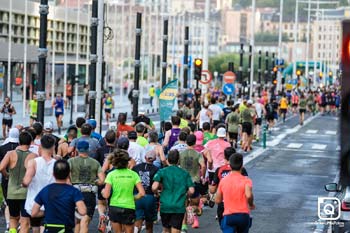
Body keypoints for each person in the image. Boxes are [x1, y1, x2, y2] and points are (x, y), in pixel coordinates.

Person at [31, 160, 87, 233]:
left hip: (49, 229)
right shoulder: (74, 191)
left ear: (53, 174)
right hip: (66, 229)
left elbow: (34, 213)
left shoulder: (45, 190)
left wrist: (47, 212)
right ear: (68, 175)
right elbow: (83, 211)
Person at [0, 131, 37, 233]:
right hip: (26, 193)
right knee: (25, 222)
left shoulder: (10, 154)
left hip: (12, 192)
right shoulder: (33, 156)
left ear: (19, 142)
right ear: (30, 143)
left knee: (13, 218)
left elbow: (1, 167)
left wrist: (6, 175)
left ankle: (12, 231)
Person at [102, 149, 145, 233]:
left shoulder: (111, 175)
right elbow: (142, 193)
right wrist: (133, 198)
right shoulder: (133, 174)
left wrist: (103, 191)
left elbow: (106, 195)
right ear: (127, 162)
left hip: (114, 206)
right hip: (129, 206)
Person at [152, 150, 195, 233]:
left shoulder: (162, 171)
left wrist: (157, 193)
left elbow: (154, 187)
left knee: (165, 229)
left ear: (167, 159)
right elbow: (192, 190)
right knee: (176, 230)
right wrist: (187, 196)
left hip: (165, 205)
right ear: (178, 160)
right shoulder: (184, 173)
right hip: (179, 206)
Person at [68, 140, 105, 233]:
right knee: (85, 221)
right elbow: (102, 180)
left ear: (77, 149)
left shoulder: (71, 161)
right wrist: (95, 182)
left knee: (77, 221)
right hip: (89, 193)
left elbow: (66, 177)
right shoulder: (95, 163)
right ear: (88, 149)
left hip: (75, 193)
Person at [22, 135, 56, 233]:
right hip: (51, 203)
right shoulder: (57, 163)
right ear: (53, 147)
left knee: (35, 227)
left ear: (40, 146)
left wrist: (23, 184)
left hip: (34, 203)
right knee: (46, 226)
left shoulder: (33, 162)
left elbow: (26, 181)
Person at [215, 153, 255, 233]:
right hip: (243, 215)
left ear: (230, 165)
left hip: (229, 215)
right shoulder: (246, 180)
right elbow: (249, 195)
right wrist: (251, 204)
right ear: (242, 165)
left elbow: (218, 200)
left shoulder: (224, 181)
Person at [210, 148, 248, 226]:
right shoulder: (242, 170)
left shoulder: (219, 170)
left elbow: (212, 190)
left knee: (225, 228)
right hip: (239, 205)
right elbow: (247, 188)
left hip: (223, 204)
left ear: (224, 157)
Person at [179, 134, 206, 230]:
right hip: (194, 181)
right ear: (195, 143)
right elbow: (203, 166)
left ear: (186, 142)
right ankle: (192, 210)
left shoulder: (181, 154)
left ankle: (184, 226)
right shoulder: (198, 154)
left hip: (183, 182)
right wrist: (202, 175)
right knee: (195, 203)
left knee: (184, 204)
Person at [132, 150, 159, 233]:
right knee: (149, 225)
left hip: (137, 196)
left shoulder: (136, 167)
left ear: (145, 157)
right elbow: (157, 185)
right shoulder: (156, 169)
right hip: (150, 197)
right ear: (154, 159)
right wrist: (157, 194)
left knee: (137, 221)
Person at [0, 128, 19, 231]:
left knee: (8, 202)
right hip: (18, 179)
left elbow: (0, 166)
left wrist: (6, 175)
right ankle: (17, 223)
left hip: (6, 179)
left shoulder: (2, 148)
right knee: (18, 202)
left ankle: (9, 223)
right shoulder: (20, 148)